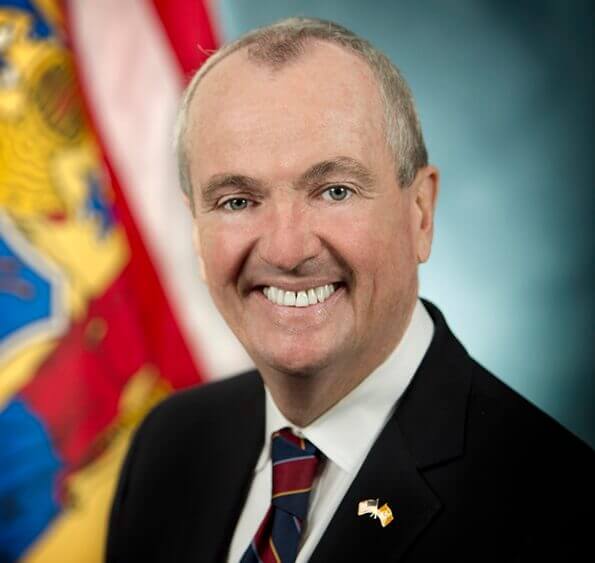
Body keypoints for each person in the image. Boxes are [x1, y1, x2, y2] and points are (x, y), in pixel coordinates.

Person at [106, 17, 593, 563]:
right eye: (237, 201)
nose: (286, 250)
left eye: (334, 191)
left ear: (420, 212)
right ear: (196, 234)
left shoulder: (559, 513)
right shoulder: (167, 446)